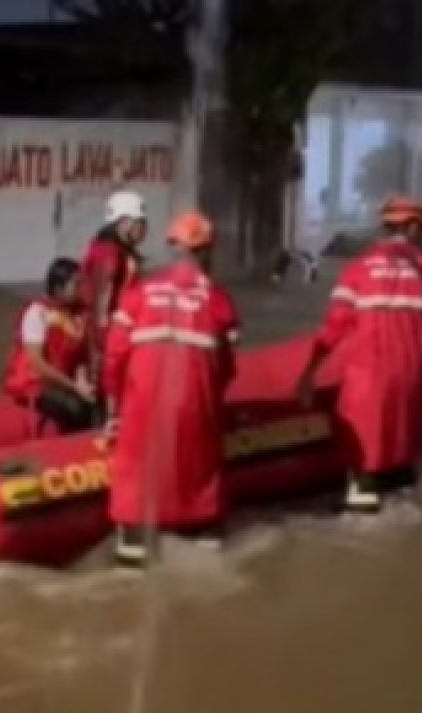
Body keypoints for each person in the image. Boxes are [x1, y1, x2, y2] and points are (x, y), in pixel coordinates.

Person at [295, 197, 422, 513]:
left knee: (363, 467)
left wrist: (309, 373)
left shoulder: (356, 269)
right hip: (411, 376)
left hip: (365, 380)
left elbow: (332, 330)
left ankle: (361, 501)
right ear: (414, 227)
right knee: (402, 462)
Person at [102, 210, 240, 568]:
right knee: (202, 496)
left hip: (141, 412)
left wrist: (113, 412)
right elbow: (226, 368)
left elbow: (113, 359)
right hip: (195, 411)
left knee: (135, 496)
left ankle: (132, 555)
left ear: (171, 247)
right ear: (208, 251)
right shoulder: (218, 300)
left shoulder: (139, 293)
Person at [2, 257, 94, 434]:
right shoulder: (37, 313)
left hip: (65, 381)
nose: (81, 290)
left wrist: (83, 381)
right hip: (36, 383)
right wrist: (74, 386)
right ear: (59, 289)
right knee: (76, 409)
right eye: (76, 285)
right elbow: (38, 364)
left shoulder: (78, 315)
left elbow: (81, 355)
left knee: (96, 401)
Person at [80, 190, 149, 399]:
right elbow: (101, 303)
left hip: (120, 332)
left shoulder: (117, 250)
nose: (145, 228)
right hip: (110, 336)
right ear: (124, 221)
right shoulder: (108, 252)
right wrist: (102, 346)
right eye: (141, 222)